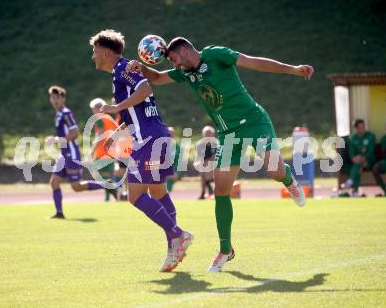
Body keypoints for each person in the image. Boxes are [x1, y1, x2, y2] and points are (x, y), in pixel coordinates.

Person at [126, 37, 313, 272]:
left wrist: (293, 69)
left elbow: (254, 63)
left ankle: (288, 179)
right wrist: (141, 67)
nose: (175, 66)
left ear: (184, 51)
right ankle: (226, 250)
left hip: (254, 122)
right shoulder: (185, 72)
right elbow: (158, 78)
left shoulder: (215, 55)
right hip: (227, 134)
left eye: (174, 60)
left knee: (274, 171)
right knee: (221, 190)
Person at [89, 29, 193, 272]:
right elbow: (134, 111)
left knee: (134, 195)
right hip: (157, 134)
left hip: (148, 139)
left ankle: (178, 234)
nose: (92, 57)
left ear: (105, 52)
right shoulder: (121, 72)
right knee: (157, 191)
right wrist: (115, 134)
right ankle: (173, 249)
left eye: (94, 52)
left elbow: (146, 90)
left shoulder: (123, 68)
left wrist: (115, 107)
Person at [46, 85, 109, 219]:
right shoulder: (58, 114)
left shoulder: (66, 113)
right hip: (63, 155)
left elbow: (75, 133)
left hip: (71, 154)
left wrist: (56, 139)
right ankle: (59, 213)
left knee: (76, 186)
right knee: (54, 182)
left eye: (57, 97)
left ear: (63, 99)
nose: (55, 100)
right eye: (52, 97)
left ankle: (106, 184)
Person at [89, 98, 119, 201]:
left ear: (98, 108)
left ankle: (112, 193)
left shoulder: (99, 118)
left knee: (100, 175)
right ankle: (113, 195)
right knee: (108, 174)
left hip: (102, 151)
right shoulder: (110, 118)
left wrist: (92, 149)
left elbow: (99, 135)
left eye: (93, 108)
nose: (93, 111)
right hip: (111, 150)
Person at [341, 119, 376, 197]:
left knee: (357, 166)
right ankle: (355, 192)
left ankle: (351, 182)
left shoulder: (371, 136)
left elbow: (371, 151)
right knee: (358, 167)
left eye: (364, 126)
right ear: (356, 128)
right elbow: (351, 154)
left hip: (369, 161)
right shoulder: (352, 138)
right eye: (361, 127)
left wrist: (363, 158)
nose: (363, 128)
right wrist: (355, 158)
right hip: (357, 162)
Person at [194, 125, 217, 199]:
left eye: (209, 133)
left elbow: (215, 157)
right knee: (202, 167)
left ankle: (204, 192)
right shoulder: (200, 144)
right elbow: (199, 157)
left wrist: (206, 163)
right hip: (204, 165)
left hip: (216, 164)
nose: (207, 135)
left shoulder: (216, 143)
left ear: (213, 134)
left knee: (204, 168)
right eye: (206, 133)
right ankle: (209, 188)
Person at [166, 127, 183, 193]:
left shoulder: (178, 147)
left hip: (173, 171)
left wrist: (177, 173)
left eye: (172, 134)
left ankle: (166, 194)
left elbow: (180, 162)